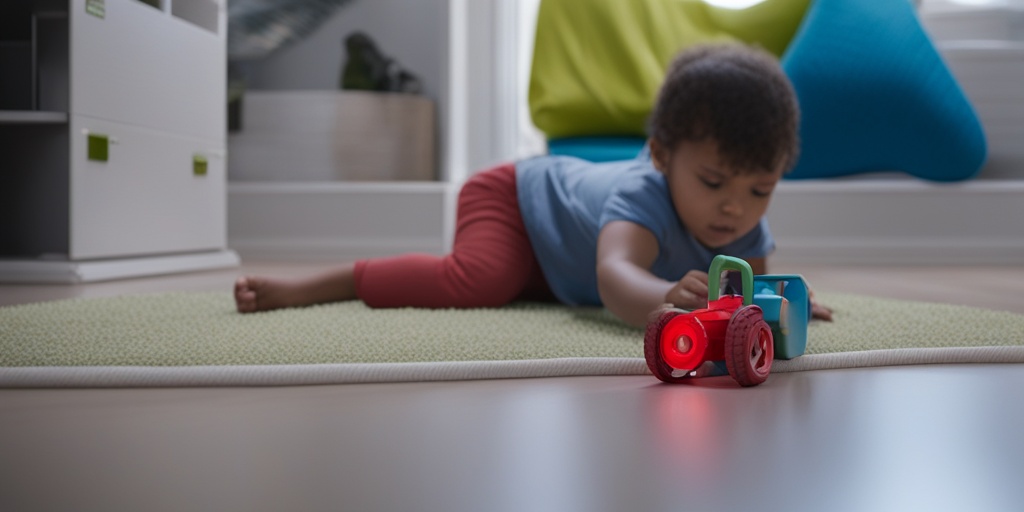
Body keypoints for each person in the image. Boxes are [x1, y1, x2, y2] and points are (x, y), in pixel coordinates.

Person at [234, 43, 833, 326]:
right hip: (514, 201)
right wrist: (663, 298)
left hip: (552, 268)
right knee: (483, 280)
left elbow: (752, 280)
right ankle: (327, 282)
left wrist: (780, 304)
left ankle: (536, 279)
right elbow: (615, 279)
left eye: (761, 189)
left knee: (523, 288)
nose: (734, 206)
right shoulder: (642, 193)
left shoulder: (744, 221)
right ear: (660, 155)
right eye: (711, 180)